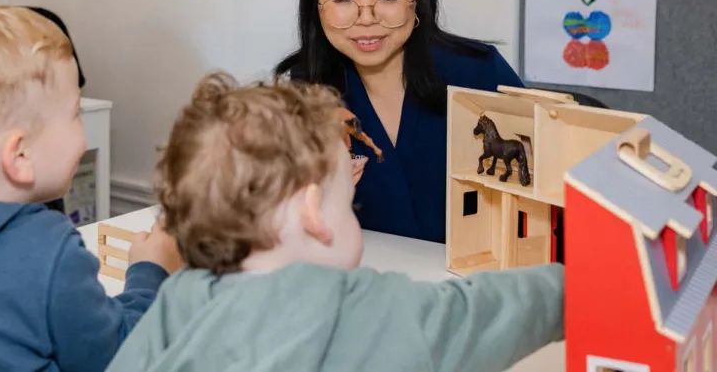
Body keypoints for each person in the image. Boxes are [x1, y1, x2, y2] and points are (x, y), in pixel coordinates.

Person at [105, 71, 563, 372]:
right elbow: (484, 312)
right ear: (311, 213)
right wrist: (575, 284)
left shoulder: (177, 300)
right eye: (349, 204)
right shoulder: (363, 308)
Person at [0, 3, 184, 371]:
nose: (84, 128)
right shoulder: (46, 249)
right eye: (76, 112)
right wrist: (150, 270)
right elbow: (122, 355)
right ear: (20, 155)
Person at [274, 0, 525, 243]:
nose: (367, 18)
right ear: (317, 4)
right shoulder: (306, 89)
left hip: (477, 286)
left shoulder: (478, 70)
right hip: (370, 285)